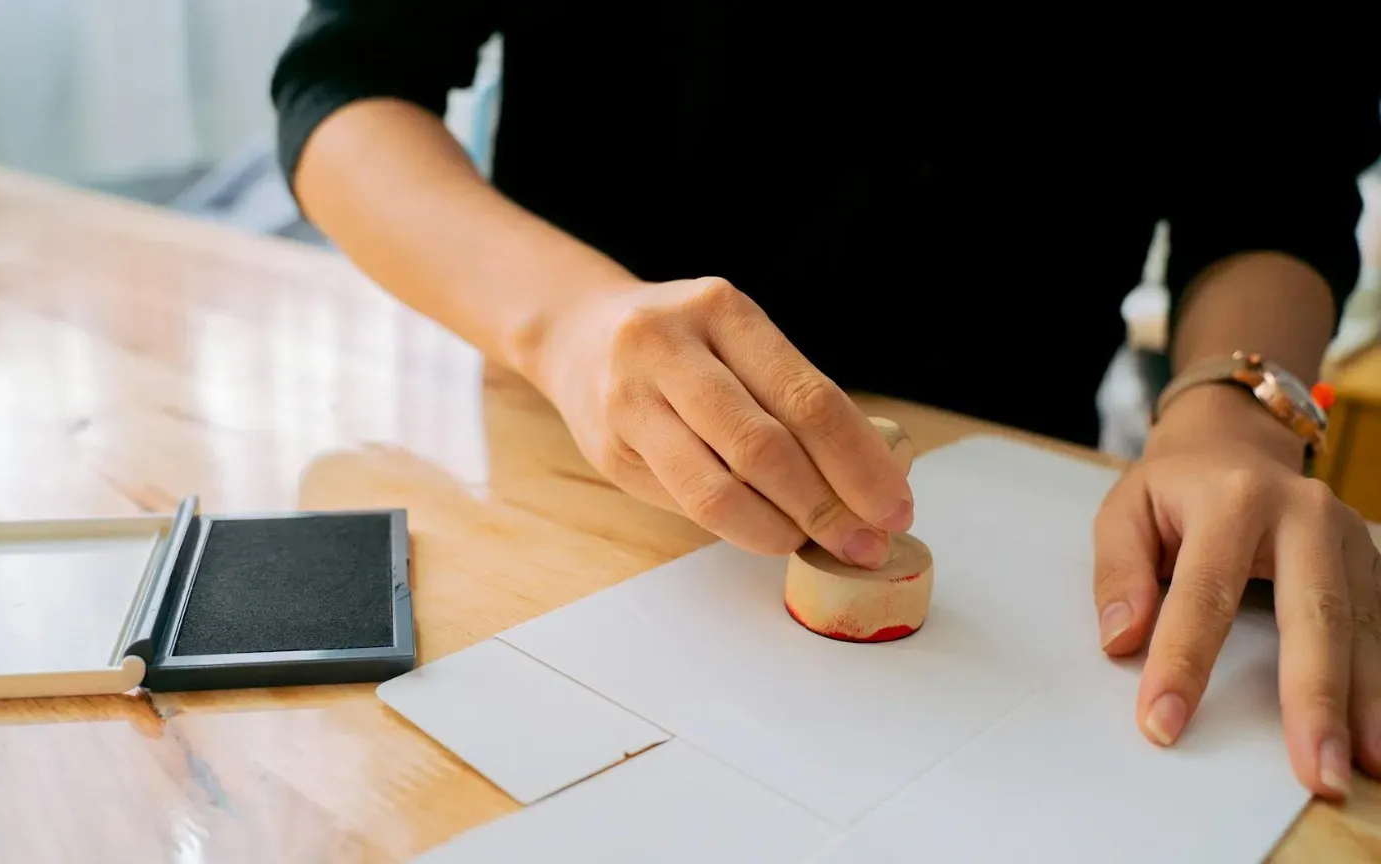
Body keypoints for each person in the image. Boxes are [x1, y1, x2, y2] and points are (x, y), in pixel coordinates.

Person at [270, 5, 1381, 800]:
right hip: (571, 487)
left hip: (1026, 537)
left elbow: (1279, 174)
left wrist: (1232, 417)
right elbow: (344, 87)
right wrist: (566, 321)